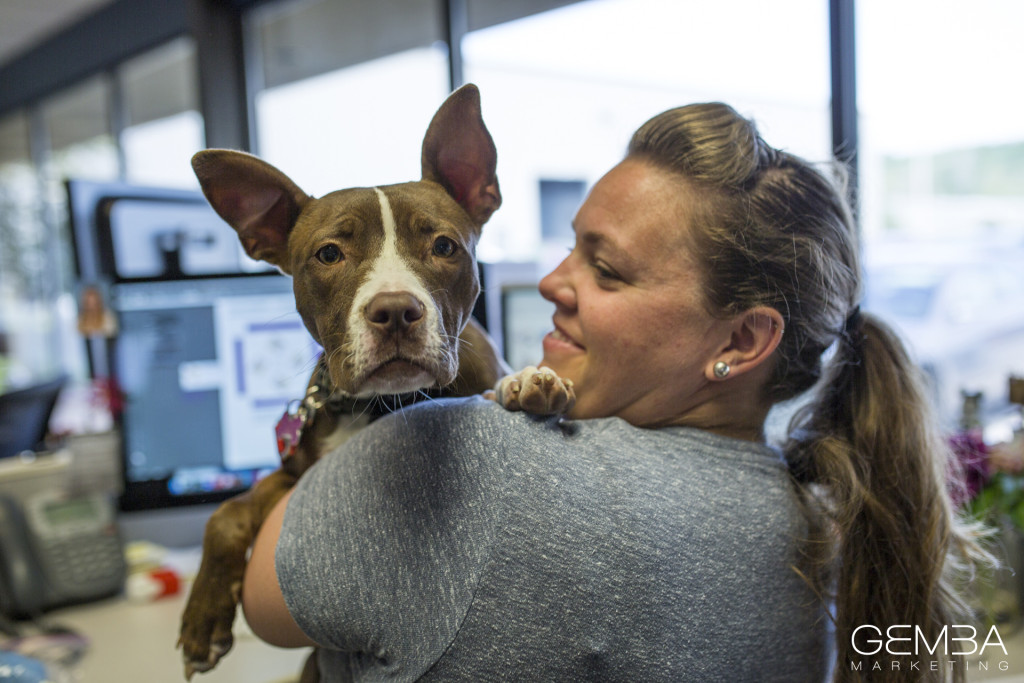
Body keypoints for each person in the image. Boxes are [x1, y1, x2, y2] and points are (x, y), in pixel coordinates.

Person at [242, 102, 987, 682]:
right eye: (571, 246)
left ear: (739, 342)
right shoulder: (821, 516)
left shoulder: (459, 458)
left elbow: (262, 600)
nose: (550, 282)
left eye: (607, 270)